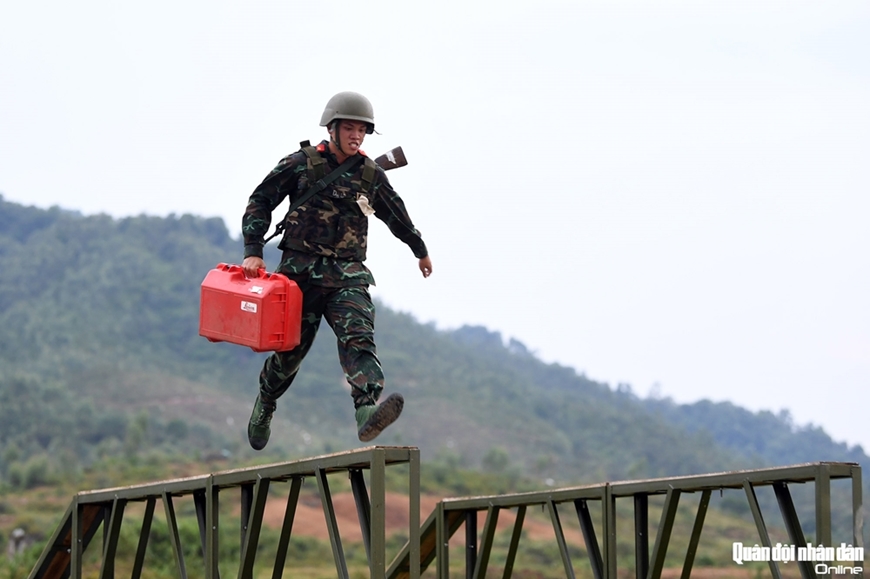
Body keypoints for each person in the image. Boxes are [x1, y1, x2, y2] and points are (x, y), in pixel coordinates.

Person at [240, 91, 432, 451]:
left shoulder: (370, 174)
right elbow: (260, 200)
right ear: (332, 128)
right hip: (300, 276)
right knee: (289, 354)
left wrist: (419, 249)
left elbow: (396, 214)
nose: (356, 136)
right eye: (349, 128)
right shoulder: (301, 163)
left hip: (348, 276)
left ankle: (366, 411)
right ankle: (266, 401)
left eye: (362, 130)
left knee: (359, 336)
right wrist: (253, 250)